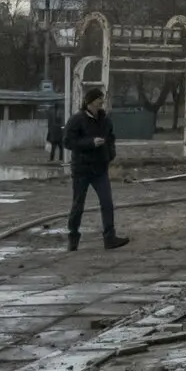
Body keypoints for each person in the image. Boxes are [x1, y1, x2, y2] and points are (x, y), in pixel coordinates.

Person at [64, 88, 128, 251]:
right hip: (82, 169)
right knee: (78, 204)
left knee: (107, 202)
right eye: (99, 98)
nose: (101, 101)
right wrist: (90, 143)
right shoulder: (76, 120)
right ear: (90, 101)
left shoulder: (105, 120)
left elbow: (111, 138)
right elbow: (68, 142)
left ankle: (110, 238)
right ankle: (73, 237)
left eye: (102, 98)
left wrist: (109, 154)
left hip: (100, 168)